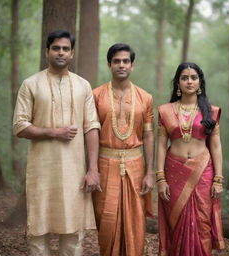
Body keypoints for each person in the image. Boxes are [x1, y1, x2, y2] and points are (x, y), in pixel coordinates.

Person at [13, 30, 101, 256]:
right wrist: (54, 132)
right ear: (47, 51)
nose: (60, 52)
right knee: (38, 233)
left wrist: (93, 170)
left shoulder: (83, 86)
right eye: (56, 48)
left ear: (72, 53)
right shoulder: (31, 84)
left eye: (65, 49)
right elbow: (20, 126)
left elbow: (91, 127)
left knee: (73, 235)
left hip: (75, 172)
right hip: (41, 171)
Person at [157, 62, 225, 256]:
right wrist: (160, 178)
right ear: (178, 83)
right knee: (176, 222)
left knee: (202, 222)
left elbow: (216, 145)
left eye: (193, 77)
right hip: (173, 171)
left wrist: (218, 179)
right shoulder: (165, 111)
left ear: (200, 82)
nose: (189, 81)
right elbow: (161, 145)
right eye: (184, 77)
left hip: (203, 170)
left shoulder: (210, 112)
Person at [92, 43, 154, 256]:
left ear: (132, 65)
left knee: (135, 220)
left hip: (136, 165)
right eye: (116, 61)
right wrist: (91, 169)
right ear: (109, 64)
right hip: (104, 163)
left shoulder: (145, 97)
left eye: (125, 61)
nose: (121, 65)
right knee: (105, 219)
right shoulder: (96, 95)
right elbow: (90, 134)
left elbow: (148, 135)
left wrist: (150, 173)